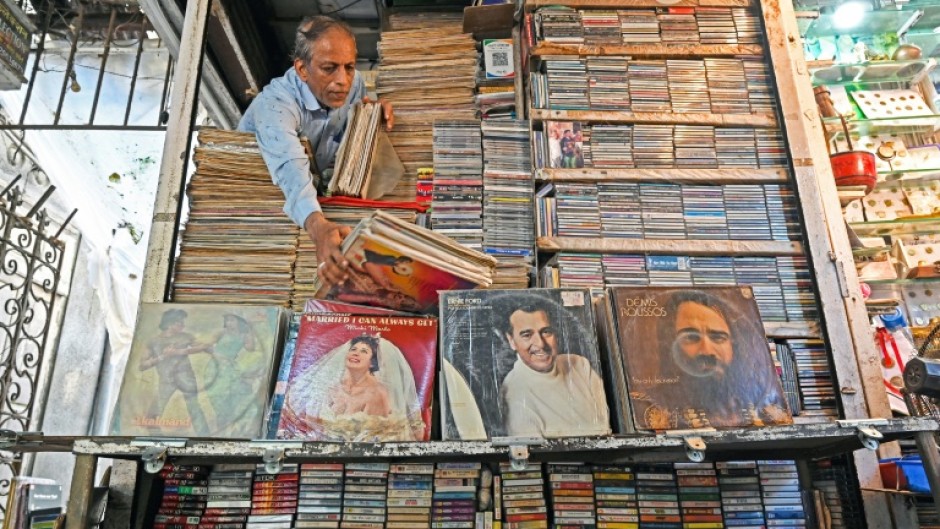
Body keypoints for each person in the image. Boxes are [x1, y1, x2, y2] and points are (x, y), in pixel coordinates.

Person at [238, 15, 394, 289]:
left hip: (313, 202)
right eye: (329, 68)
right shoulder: (275, 105)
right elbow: (290, 169)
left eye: (349, 66)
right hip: (266, 211)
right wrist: (317, 227)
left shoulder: (354, 83)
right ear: (302, 69)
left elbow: (347, 130)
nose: (342, 80)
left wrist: (369, 116)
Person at [640, 290, 790, 430]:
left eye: (718, 337)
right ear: (669, 346)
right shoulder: (647, 408)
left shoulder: (768, 410)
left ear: (733, 345)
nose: (706, 351)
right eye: (690, 338)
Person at [497, 298, 610, 438]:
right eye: (527, 335)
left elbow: (606, 427)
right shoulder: (513, 395)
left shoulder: (579, 364)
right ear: (511, 341)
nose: (540, 344)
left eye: (546, 332)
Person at [280, 334, 424, 441]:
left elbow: (371, 438)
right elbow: (310, 419)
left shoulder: (377, 393)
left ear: (372, 363)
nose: (356, 353)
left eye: (364, 351)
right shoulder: (333, 388)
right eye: (353, 349)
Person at [138, 309, 211, 435]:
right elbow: (142, 366)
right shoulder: (154, 341)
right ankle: (157, 440)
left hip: (186, 377)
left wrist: (180, 352)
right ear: (169, 324)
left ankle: (206, 438)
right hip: (166, 380)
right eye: (179, 323)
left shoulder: (186, 337)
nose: (183, 325)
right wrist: (162, 356)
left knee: (195, 410)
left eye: (183, 323)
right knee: (152, 415)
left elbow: (205, 346)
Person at [203, 313, 262, 432]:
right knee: (217, 396)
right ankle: (221, 428)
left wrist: (250, 328)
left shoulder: (244, 335)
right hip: (215, 368)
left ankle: (235, 428)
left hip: (231, 368)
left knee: (236, 396)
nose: (229, 323)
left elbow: (250, 348)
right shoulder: (222, 333)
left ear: (240, 322)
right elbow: (207, 346)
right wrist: (218, 355)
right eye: (227, 320)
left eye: (232, 320)